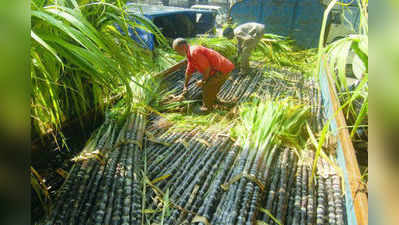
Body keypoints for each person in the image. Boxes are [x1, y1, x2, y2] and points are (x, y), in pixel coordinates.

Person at [172, 38, 235, 113]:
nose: (177, 52)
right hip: (223, 68)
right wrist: (185, 86)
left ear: (183, 47)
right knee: (212, 86)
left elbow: (206, 69)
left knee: (207, 87)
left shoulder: (194, 52)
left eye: (177, 50)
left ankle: (207, 108)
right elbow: (188, 71)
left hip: (222, 70)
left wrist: (203, 81)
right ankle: (214, 100)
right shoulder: (190, 54)